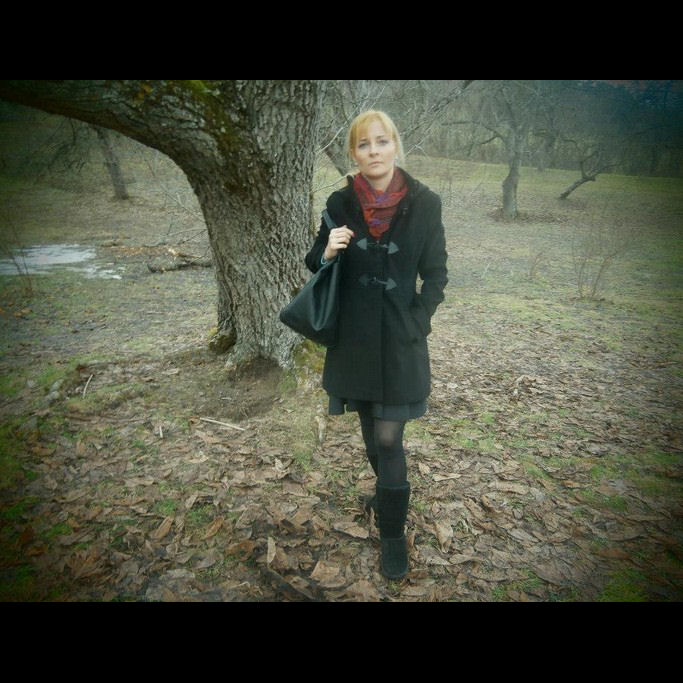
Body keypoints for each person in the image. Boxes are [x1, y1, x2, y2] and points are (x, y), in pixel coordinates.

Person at [305, 110, 448, 580]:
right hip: (355, 340)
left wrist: (419, 320)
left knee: (389, 437)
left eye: (381, 141)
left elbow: (437, 273)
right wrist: (328, 249)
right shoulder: (340, 202)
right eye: (364, 144)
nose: (373, 151)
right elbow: (314, 261)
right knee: (371, 433)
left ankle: (392, 537)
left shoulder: (425, 203)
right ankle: (386, 493)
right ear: (354, 153)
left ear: (395, 145)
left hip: (402, 339)